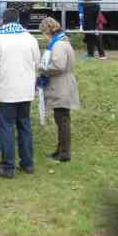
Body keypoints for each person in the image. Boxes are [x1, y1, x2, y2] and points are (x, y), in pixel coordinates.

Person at [0, 9, 41, 178]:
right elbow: (37, 62)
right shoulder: (30, 38)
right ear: (18, 20)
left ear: (3, 21)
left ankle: (8, 166)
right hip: (25, 92)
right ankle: (27, 163)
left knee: (6, 128)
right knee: (24, 126)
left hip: (5, 92)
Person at [34, 14, 80, 164]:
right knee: (61, 118)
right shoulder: (62, 42)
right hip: (63, 84)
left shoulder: (58, 45)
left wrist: (43, 68)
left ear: (48, 31)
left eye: (43, 34)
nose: (44, 37)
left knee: (62, 120)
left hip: (61, 85)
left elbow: (58, 65)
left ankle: (64, 153)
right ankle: (60, 150)